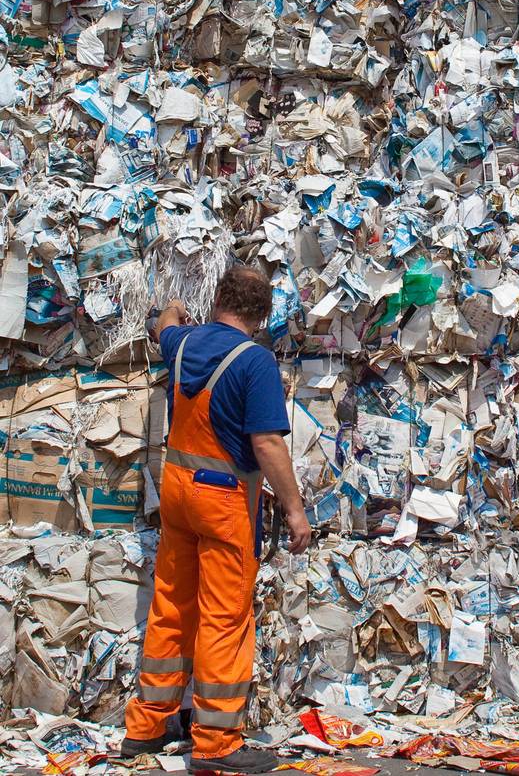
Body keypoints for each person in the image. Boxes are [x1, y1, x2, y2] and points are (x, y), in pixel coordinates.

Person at [121, 266, 311, 774]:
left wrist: (173, 313)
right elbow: (267, 443)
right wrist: (295, 510)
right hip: (224, 502)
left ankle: (146, 727)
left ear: (218, 300)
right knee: (225, 618)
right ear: (262, 315)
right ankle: (216, 742)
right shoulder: (256, 363)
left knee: (171, 605)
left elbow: (163, 324)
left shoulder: (181, 343)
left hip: (177, 496)